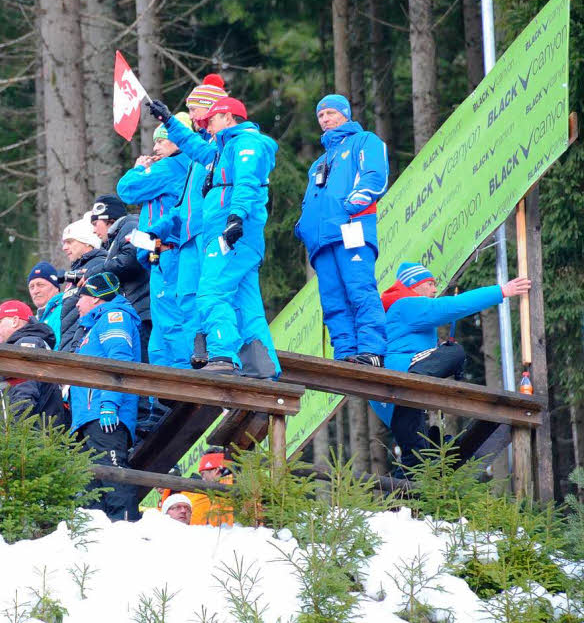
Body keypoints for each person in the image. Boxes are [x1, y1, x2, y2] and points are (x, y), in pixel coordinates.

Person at [377, 262, 531, 469]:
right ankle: (415, 381)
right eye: (430, 284)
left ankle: (391, 500)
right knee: (454, 353)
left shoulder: (398, 313)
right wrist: (502, 291)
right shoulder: (406, 304)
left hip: (392, 402)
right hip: (401, 377)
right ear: (414, 285)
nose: (434, 290)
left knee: (416, 462)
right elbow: (453, 306)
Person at [185, 96, 280, 377]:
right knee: (246, 304)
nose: (207, 127)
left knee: (211, 292)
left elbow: (247, 181)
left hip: (233, 234)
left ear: (227, 117)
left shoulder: (246, 142)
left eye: (211, 120)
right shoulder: (224, 149)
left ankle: (223, 354)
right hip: (233, 234)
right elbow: (195, 149)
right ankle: (264, 369)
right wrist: (169, 122)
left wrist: (235, 217)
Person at [295, 94, 390, 366]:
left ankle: (372, 350)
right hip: (322, 240)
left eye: (330, 113)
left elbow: (375, 174)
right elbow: (310, 199)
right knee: (332, 299)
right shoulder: (318, 163)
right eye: (321, 116)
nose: (325, 119)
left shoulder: (364, 140)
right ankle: (345, 353)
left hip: (352, 228)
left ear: (345, 114)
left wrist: (359, 199)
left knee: (359, 288)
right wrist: (304, 226)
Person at [146, 75, 228, 367]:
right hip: (189, 236)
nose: (193, 116)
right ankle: (198, 352)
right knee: (187, 298)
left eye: (196, 109)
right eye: (189, 110)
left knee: (208, 295)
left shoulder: (216, 147)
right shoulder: (198, 154)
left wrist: (169, 121)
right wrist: (157, 228)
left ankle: (216, 350)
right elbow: (183, 205)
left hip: (210, 232)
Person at [116, 114, 191, 368]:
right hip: (161, 253)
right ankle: (163, 398)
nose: (155, 148)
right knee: (161, 330)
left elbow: (126, 188)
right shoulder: (185, 166)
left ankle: (182, 385)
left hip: (168, 251)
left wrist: (140, 167)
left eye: (161, 141)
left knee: (170, 322)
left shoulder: (171, 166)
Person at [68, 272, 142, 521]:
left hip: (105, 414)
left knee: (113, 478)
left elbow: (119, 360)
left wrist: (109, 403)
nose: (77, 303)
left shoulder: (114, 317)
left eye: (82, 297)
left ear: (97, 299)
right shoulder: (95, 326)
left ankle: (126, 528)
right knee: (92, 487)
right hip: (89, 417)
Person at [0, 299, 69, 428]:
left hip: (32, 439)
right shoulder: (29, 344)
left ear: (15, 321)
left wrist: (15, 434)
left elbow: (24, 395)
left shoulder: (27, 344)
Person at [90, 194, 151, 359]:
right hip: (137, 310)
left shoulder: (131, 225)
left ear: (109, 219)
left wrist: (94, 271)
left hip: (142, 312)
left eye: (96, 224)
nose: (94, 230)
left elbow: (130, 260)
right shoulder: (117, 237)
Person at [57, 217, 107, 352]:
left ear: (87, 242)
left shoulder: (98, 266)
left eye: (69, 242)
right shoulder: (77, 271)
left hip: (82, 348)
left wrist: (76, 348)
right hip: (69, 345)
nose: (64, 247)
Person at [27, 262, 63, 346]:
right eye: (31, 287)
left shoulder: (64, 310)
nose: (35, 291)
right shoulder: (34, 320)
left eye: (40, 285)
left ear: (56, 287)